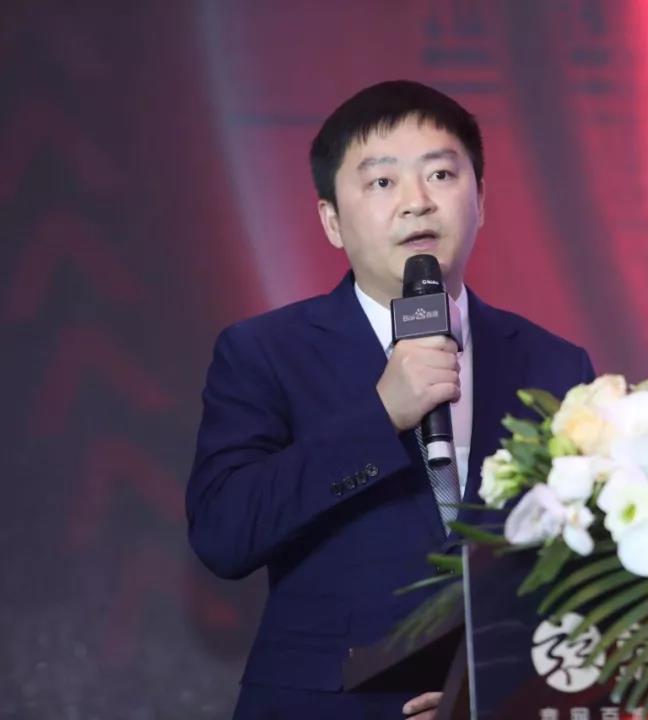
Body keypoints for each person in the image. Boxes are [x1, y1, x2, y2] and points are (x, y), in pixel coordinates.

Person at [186, 80, 596, 719]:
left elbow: (580, 575)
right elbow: (224, 534)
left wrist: (483, 694)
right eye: (382, 182)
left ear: (481, 201)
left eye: (441, 175)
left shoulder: (555, 364)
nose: (417, 203)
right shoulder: (264, 353)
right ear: (331, 221)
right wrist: (380, 416)